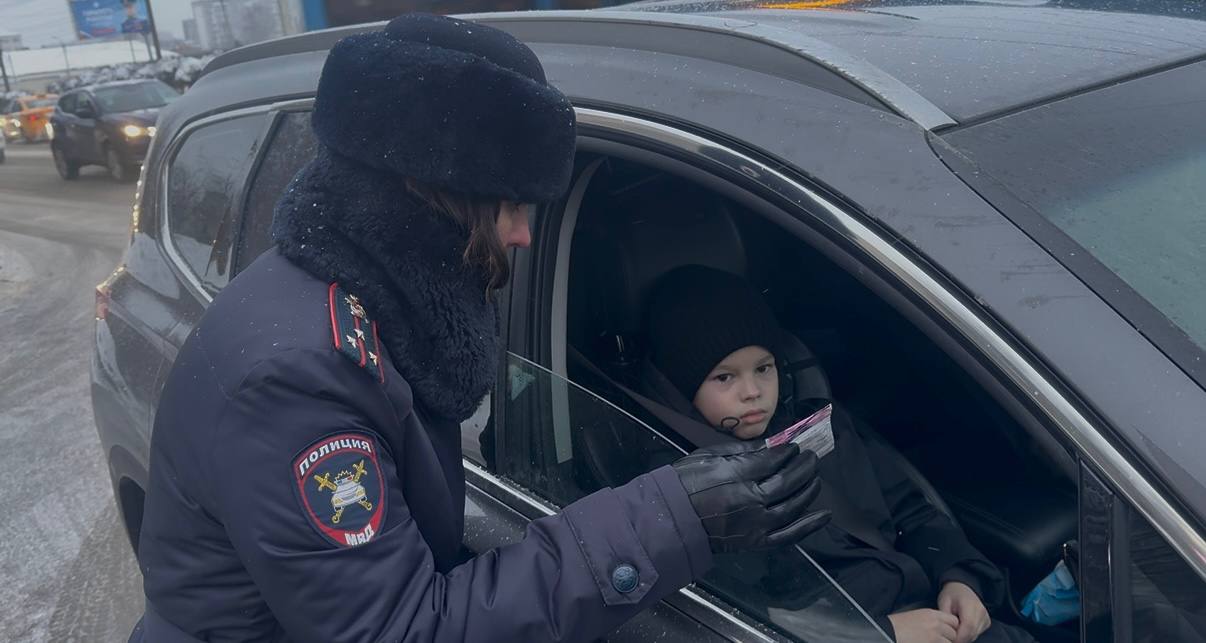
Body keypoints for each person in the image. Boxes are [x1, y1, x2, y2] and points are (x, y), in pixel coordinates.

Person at [130, 15, 831, 642]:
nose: (525, 234)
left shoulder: (375, 303)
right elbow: (400, 630)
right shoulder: (299, 380)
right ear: (429, 195)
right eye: (509, 206)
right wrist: (673, 517)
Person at [644, 265, 1039, 643]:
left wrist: (960, 577)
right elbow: (748, 612)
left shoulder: (818, 424)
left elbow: (910, 510)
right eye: (724, 377)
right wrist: (881, 635)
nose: (752, 391)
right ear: (682, 386)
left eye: (764, 368)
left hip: (930, 611)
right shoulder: (697, 492)